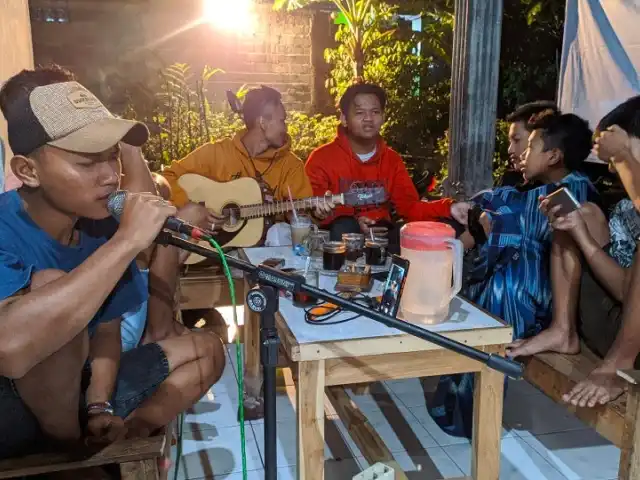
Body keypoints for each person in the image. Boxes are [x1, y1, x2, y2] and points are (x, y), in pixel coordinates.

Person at [0, 66, 226, 461]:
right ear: (27, 171)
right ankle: (73, 460)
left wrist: (99, 405)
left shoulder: (98, 225)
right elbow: (11, 348)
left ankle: (122, 444)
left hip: (76, 391)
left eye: (112, 157)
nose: (109, 177)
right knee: (52, 291)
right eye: (87, 163)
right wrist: (125, 242)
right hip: (10, 407)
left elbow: (106, 325)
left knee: (207, 349)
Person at [428, 109, 599, 438]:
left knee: (506, 283)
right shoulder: (537, 189)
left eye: (530, 145)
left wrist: (490, 216)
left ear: (553, 155)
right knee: (492, 283)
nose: (520, 153)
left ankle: (474, 408)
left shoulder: (573, 191)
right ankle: (467, 403)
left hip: (551, 296)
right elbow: (500, 211)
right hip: (535, 289)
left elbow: (515, 220)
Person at [508, 95, 640, 407]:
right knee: (578, 214)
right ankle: (562, 330)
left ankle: (620, 362)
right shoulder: (625, 209)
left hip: (631, 352)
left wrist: (624, 156)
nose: (612, 167)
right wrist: (580, 234)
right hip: (622, 324)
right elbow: (626, 290)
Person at [304, 83, 470, 244]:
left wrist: (449, 208)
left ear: (383, 117)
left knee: (445, 227)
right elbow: (311, 211)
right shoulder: (321, 158)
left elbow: (410, 207)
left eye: (375, 112)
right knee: (345, 227)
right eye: (360, 112)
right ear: (344, 119)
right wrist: (355, 222)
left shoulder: (391, 160)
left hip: (383, 236)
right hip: (340, 241)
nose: (368, 118)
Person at [161, 85, 332, 230]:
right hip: (211, 245)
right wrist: (194, 210)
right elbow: (167, 178)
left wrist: (316, 214)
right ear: (263, 123)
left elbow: (300, 216)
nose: (285, 128)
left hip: (265, 253)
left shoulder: (291, 164)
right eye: (282, 121)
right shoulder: (217, 152)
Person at [499, 100, 559, 186]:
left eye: (516, 140)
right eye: (510, 141)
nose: (510, 150)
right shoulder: (509, 182)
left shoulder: (575, 186)